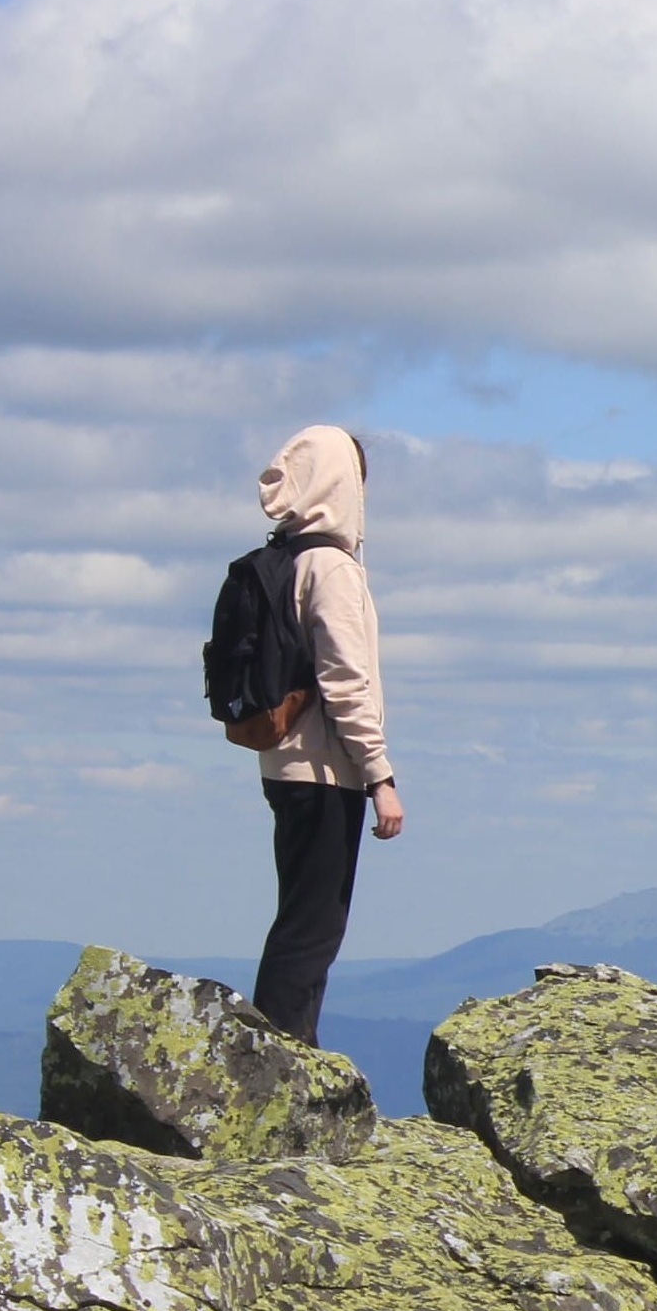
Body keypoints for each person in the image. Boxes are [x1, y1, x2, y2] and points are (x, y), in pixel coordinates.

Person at [249, 425, 405, 1044]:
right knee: (313, 927)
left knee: (301, 917)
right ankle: (278, 1060)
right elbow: (345, 681)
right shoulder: (331, 569)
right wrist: (380, 776)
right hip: (324, 771)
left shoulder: (281, 560)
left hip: (283, 765)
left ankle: (285, 1052)